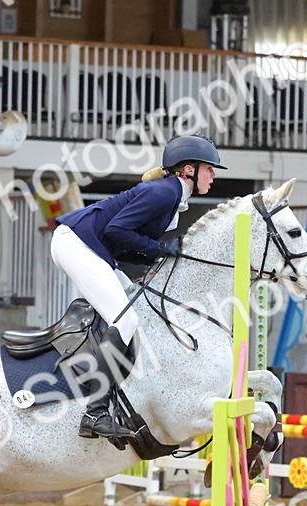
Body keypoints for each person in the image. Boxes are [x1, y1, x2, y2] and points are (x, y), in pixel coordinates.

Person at [52, 134, 226, 440]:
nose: (213, 175)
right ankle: (95, 413)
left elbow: (128, 240)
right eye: (209, 168)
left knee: (138, 311)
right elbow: (116, 229)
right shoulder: (164, 191)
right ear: (188, 169)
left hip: (94, 248)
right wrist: (162, 249)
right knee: (126, 319)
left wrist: (159, 255)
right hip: (77, 244)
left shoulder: (173, 196)